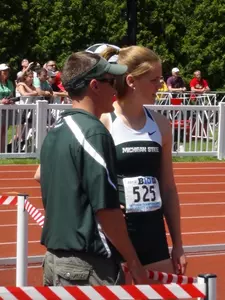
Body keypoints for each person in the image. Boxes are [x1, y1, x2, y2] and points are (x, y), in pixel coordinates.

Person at [38, 51, 149, 286]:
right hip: (87, 267)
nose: (116, 90)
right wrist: (134, 262)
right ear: (95, 86)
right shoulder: (95, 132)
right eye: (111, 82)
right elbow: (107, 213)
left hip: (55, 261)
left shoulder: (57, 129)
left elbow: (50, 180)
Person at [99, 46, 187, 280]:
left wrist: (178, 244)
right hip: (117, 237)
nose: (161, 85)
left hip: (153, 234)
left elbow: (168, 187)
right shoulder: (105, 122)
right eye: (154, 79)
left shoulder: (160, 125)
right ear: (131, 81)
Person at [0, 63, 16, 152]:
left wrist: (11, 100)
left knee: (4, 131)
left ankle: (2, 151)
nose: (6, 72)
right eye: (4, 71)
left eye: (7, 70)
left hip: (7, 110)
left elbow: (11, 95)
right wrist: (1, 101)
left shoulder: (9, 82)